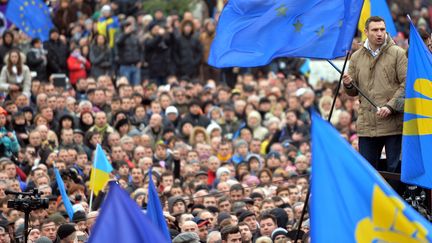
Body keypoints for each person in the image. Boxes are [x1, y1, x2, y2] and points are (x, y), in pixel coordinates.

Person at [342, 16, 407, 173]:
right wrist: (348, 84)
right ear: (366, 32)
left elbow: (407, 85)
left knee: (395, 171)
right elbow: (352, 91)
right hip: (367, 126)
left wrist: (390, 107)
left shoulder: (398, 53)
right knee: (367, 172)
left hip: (394, 125)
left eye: (382, 30)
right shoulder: (356, 57)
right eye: (375, 30)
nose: (379, 33)